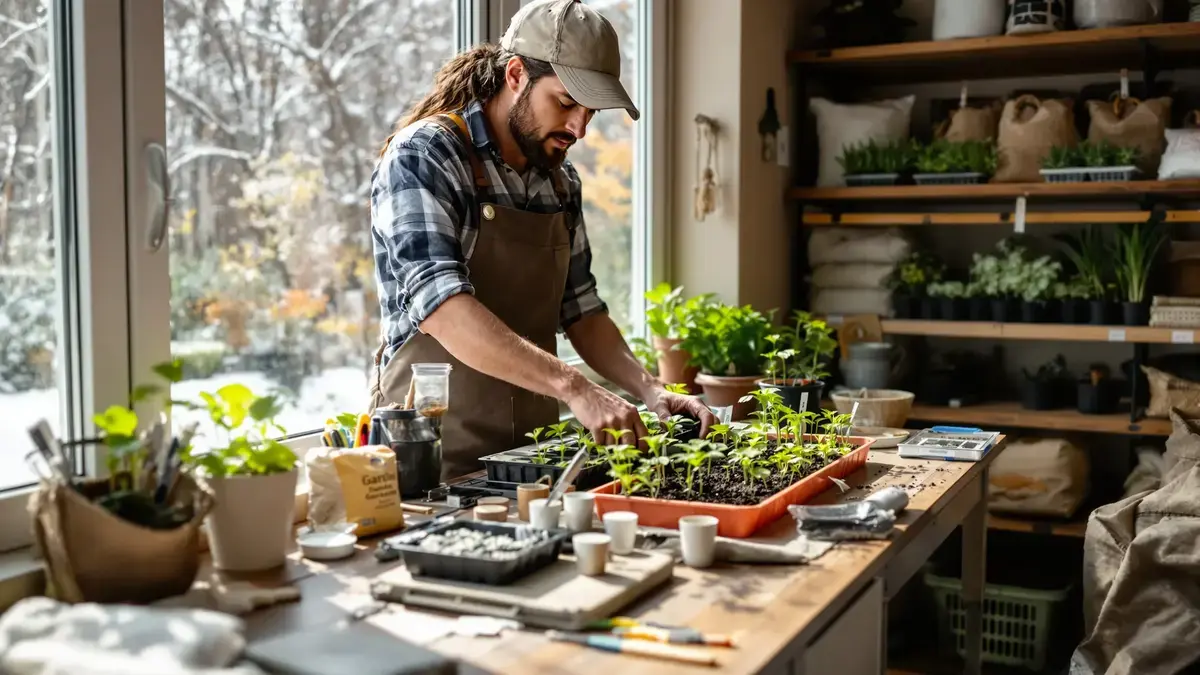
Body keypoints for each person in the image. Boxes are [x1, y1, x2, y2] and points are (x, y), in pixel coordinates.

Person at [368, 0, 716, 480]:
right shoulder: (425, 156)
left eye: (590, 111)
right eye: (566, 102)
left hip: (531, 464)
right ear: (515, 75)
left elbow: (582, 311)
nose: (579, 128)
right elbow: (442, 310)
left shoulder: (559, 181)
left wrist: (651, 389)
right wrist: (576, 388)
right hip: (433, 463)